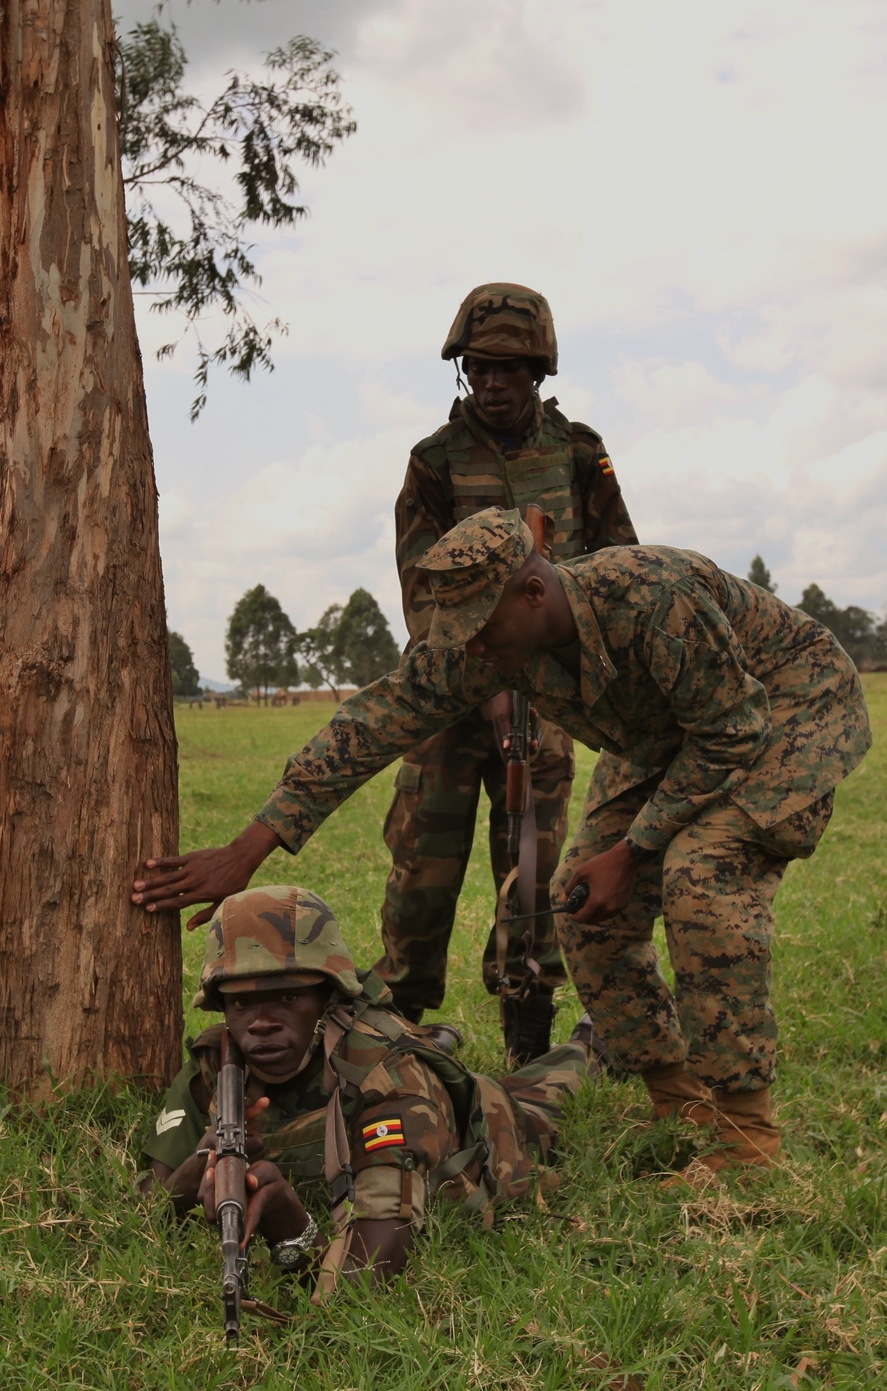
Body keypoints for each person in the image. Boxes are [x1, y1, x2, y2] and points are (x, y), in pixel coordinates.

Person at [133, 509, 871, 1178]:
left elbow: (732, 731)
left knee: (702, 877)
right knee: (579, 899)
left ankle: (746, 1140)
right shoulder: (482, 641)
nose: (475, 650)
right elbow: (374, 721)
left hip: (786, 715)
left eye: (485, 628)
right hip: (662, 741)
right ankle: (679, 1101)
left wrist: (637, 849)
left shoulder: (650, 594)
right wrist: (247, 849)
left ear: (533, 591)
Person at [381, 282, 638, 1062]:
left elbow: (616, 569)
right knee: (423, 865)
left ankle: (529, 1032)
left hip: (546, 699)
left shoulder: (580, 455)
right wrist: (483, 680)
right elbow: (424, 593)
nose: (494, 384)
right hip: (448, 703)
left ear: (540, 372)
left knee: (533, 867)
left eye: (512, 370)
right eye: (480, 369)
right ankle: (400, 1033)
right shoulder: (432, 462)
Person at [141, 884, 594, 1289]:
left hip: (493, 1121)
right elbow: (149, 1207)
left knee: (551, 1083)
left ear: (329, 996)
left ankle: (589, 1039)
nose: (260, 1024)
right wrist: (203, 1163)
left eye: (288, 998)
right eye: (240, 1002)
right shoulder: (217, 1064)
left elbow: (369, 1273)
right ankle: (440, 1037)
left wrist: (289, 1224)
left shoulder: (387, 1075)